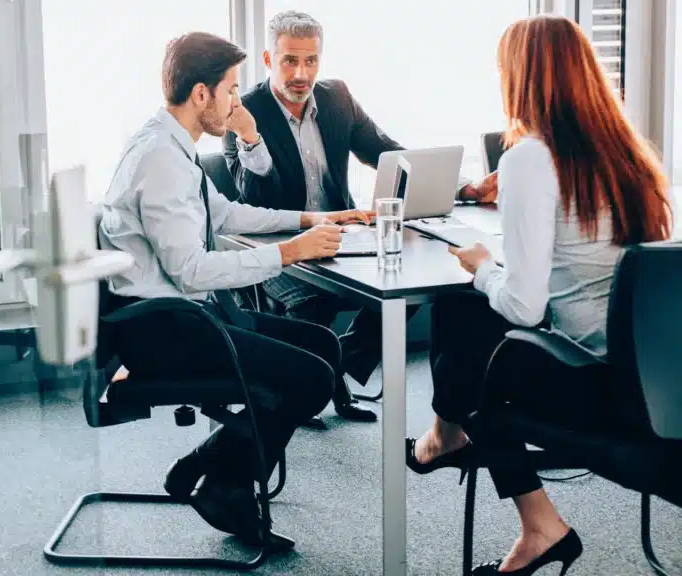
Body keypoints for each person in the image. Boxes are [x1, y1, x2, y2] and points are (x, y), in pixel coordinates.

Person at [406, 15, 673, 575]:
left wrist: (482, 267)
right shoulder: (629, 155)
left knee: (466, 324)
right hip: (658, 382)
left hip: (600, 389)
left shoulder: (531, 156)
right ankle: (447, 437)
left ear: (522, 77)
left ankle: (523, 510)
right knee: (471, 316)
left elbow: (526, 308)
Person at [98, 31, 371, 548]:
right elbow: (193, 271)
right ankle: (225, 482)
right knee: (312, 378)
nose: (236, 101)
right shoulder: (161, 159)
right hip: (166, 329)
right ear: (201, 94)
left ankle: (212, 462)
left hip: (185, 315)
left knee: (323, 347)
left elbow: (223, 214)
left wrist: (315, 217)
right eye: (230, 89)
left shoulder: (171, 145)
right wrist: (290, 252)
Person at [222, 10, 498, 421]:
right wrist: (251, 138)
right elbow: (256, 199)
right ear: (268, 60)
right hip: (280, 240)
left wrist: (466, 188)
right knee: (313, 308)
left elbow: (387, 151)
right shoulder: (242, 112)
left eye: (311, 61)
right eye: (289, 61)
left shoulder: (337, 98)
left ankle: (331, 370)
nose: (301, 73)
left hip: (342, 233)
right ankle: (312, 381)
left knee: (408, 292)